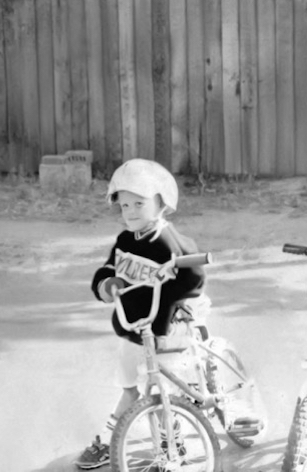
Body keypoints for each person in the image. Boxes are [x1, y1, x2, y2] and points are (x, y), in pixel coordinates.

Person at [74, 158, 207, 469]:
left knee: (162, 393)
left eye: (139, 204)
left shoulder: (168, 241)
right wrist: (107, 284)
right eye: (124, 206)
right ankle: (110, 441)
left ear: (160, 203)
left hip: (163, 332)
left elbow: (195, 276)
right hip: (132, 329)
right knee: (129, 388)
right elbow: (107, 269)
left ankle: (173, 443)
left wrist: (170, 290)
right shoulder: (124, 241)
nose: (130, 212)